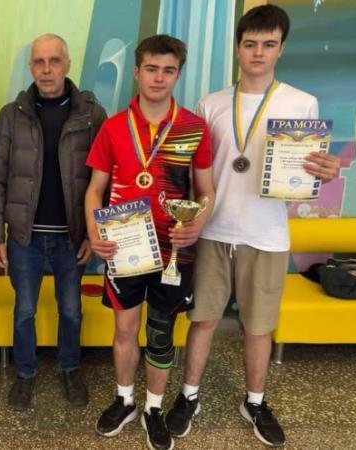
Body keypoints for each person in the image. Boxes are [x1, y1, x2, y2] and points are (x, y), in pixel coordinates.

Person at [164, 5, 341, 448]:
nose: (258, 52)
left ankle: (256, 402)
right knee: (203, 319)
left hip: (267, 234)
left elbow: (307, 170)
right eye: (250, 44)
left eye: (268, 44)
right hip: (213, 231)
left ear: (281, 48)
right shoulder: (210, 104)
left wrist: (325, 172)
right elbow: (197, 174)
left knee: (259, 326)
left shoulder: (301, 103)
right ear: (238, 49)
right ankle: (189, 396)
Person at [84, 35, 215, 450]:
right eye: (152, 69)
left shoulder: (194, 127)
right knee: (124, 327)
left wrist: (197, 223)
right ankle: (124, 400)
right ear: (138, 72)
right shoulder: (112, 127)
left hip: (175, 250)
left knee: (161, 331)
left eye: (168, 70)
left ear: (178, 74)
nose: (159, 78)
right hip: (124, 247)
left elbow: (206, 190)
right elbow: (95, 190)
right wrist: (95, 232)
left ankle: (153, 409)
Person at [0, 33, 107, 411]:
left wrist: (94, 232)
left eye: (54, 60)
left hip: (72, 236)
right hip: (25, 237)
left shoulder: (92, 114)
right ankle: (25, 373)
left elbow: (104, 179)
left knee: (71, 309)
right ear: (31, 67)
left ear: (67, 64)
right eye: (39, 61)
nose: (47, 69)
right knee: (24, 310)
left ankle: (70, 368)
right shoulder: (12, 114)